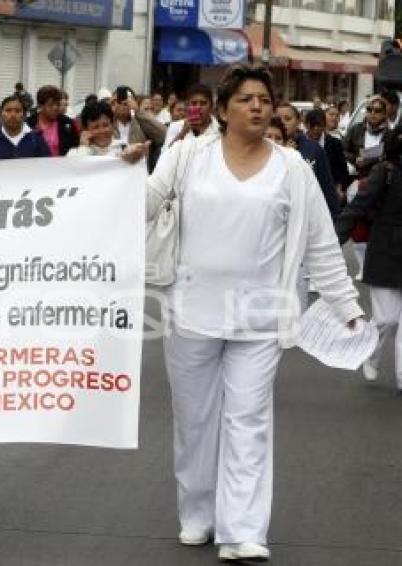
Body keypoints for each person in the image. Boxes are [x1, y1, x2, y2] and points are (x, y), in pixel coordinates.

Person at [144, 64, 362, 562]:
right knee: (195, 421)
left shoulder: (292, 169)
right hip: (192, 311)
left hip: (262, 317)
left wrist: (345, 306)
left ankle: (243, 528)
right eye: (245, 99)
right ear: (222, 110)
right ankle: (197, 515)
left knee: (249, 419)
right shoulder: (186, 157)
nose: (258, 106)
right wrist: (119, 170)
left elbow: (321, 245)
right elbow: (146, 204)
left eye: (264, 98)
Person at [336, 125, 402, 390]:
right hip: (386, 251)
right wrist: (330, 244)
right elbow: (357, 208)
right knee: (386, 320)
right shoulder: (383, 173)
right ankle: (371, 355)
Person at [342, 95, 390, 279]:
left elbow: (391, 154)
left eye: (377, 111)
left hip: (383, 183)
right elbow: (344, 149)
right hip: (359, 181)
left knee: (378, 227)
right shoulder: (355, 130)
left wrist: (372, 158)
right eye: (369, 110)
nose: (372, 114)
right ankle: (362, 267)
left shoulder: (391, 133)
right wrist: (355, 159)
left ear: (386, 114)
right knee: (358, 227)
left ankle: (376, 265)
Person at [277, 102, 339, 216]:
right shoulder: (267, 148)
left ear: (299, 121)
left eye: (287, 119)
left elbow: (326, 187)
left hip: (308, 214)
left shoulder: (313, 149)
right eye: (278, 119)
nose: (282, 123)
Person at [0, 95, 50, 160]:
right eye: (8, 110)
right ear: (1, 114)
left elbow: (45, 167)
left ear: (24, 115)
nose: (13, 115)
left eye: (18, 111)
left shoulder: (37, 139)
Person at [112, 85, 166, 172]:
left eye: (127, 100)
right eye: (119, 100)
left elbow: (164, 136)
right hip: (114, 172)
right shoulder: (107, 124)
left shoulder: (141, 123)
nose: (123, 104)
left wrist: (138, 112)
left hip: (137, 173)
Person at [304, 108, 349, 203]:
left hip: (330, 191)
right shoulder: (300, 144)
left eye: (319, 125)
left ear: (324, 125)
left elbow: (343, 170)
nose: (316, 129)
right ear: (307, 125)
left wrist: (339, 187)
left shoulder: (334, 144)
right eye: (312, 126)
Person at [25, 85, 79, 157]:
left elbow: (75, 148)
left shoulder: (67, 124)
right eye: (50, 105)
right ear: (40, 106)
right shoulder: (28, 124)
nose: (55, 108)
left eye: (57, 104)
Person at [164, 84, 219, 148]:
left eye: (203, 103)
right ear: (187, 106)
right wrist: (183, 133)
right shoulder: (175, 127)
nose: (198, 107)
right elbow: (165, 154)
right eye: (194, 103)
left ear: (211, 106)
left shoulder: (220, 129)